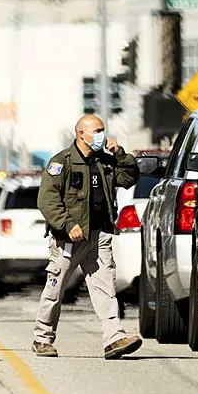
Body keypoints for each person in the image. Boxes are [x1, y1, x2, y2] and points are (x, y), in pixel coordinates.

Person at [33, 114, 142, 360]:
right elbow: (47, 200)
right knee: (56, 288)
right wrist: (67, 223)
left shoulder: (105, 161)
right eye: (97, 131)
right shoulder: (61, 163)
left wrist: (121, 155)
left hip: (99, 235)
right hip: (69, 239)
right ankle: (42, 338)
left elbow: (129, 178)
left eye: (103, 130)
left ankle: (114, 338)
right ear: (81, 133)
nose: (102, 135)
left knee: (106, 289)